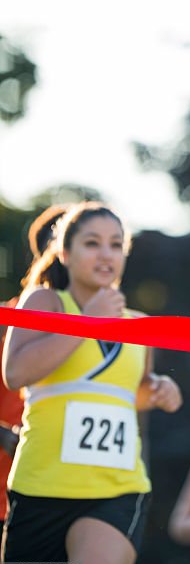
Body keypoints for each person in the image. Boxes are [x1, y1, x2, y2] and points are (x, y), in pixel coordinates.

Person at [1, 201, 183, 564]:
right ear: (65, 253)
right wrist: (88, 322)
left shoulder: (140, 326)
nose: (106, 254)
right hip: (39, 494)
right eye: (92, 243)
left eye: (116, 245)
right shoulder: (46, 302)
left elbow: (129, 397)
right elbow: (16, 373)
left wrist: (159, 390)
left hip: (115, 492)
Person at [0, 206, 72, 522]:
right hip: (8, 496)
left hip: (75, 497)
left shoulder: (109, 327)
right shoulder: (5, 321)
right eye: (86, 242)